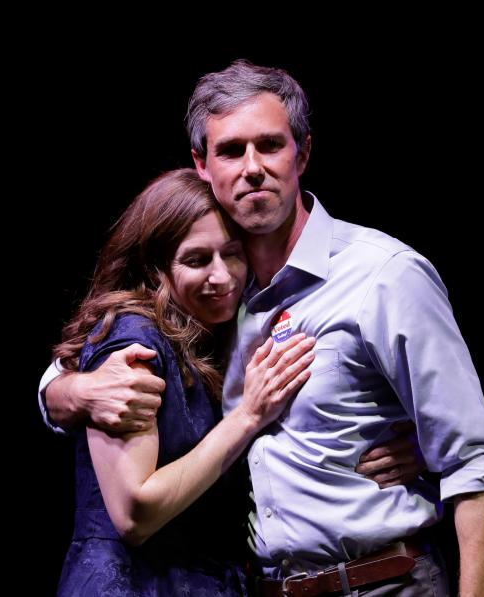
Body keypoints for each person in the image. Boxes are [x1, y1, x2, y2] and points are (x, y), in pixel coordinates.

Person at [44, 60, 484, 596]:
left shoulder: (384, 276)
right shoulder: (217, 298)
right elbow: (93, 349)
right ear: (202, 163)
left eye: (270, 145)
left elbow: (472, 462)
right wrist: (67, 390)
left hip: (383, 581)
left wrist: (426, 454)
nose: (252, 167)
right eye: (230, 150)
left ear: (303, 153)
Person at [53, 168, 317, 596]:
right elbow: (134, 515)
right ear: (154, 267)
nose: (223, 276)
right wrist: (248, 415)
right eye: (196, 260)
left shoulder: (208, 333)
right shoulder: (134, 342)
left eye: (232, 253)